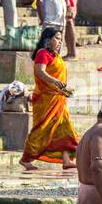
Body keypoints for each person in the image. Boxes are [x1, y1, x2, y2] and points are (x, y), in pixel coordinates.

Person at [22, 27, 79, 171]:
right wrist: (55, 82)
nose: (60, 42)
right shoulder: (43, 53)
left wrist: (64, 90)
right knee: (42, 129)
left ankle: (67, 160)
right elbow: (39, 72)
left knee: (64, 129)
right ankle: (26, 159)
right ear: (48, 40)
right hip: (45, 100)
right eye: (57, 38)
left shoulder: (56, 56)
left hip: (58, 99)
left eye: (60, 39)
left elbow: (59, 78)